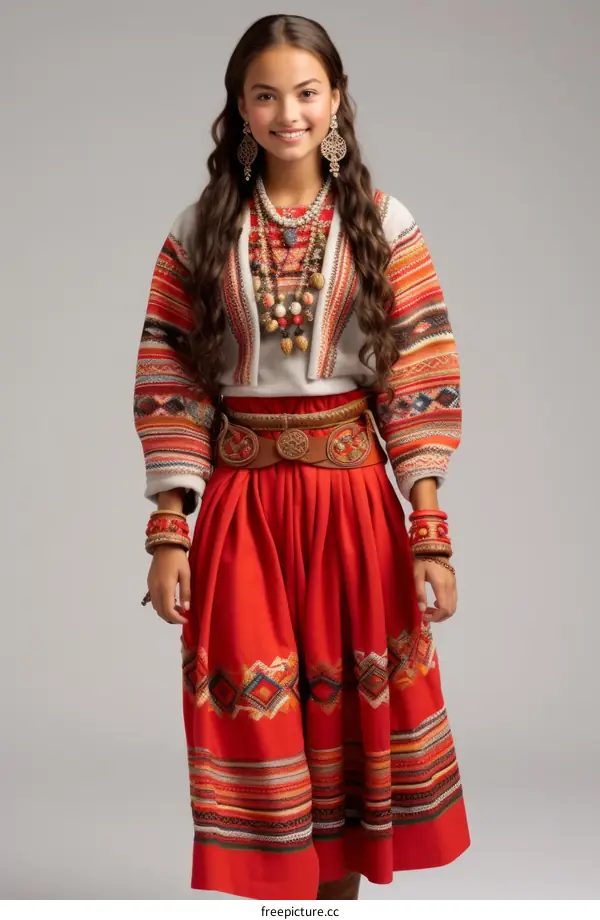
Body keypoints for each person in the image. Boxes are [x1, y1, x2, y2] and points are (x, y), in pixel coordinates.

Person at [133, 13, 470, 901]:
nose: (289, 113)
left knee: (348, 724)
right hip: (242, 509)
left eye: (307, 92)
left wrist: (429, 535)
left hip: (353, 507)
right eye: (266, 95)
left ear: (337, 100)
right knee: (258, 713)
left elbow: (420, 379)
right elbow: (172, 381)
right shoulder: (200, 230)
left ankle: (330, 908)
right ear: (239, 110)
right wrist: (168, 531)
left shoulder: (386, 225)